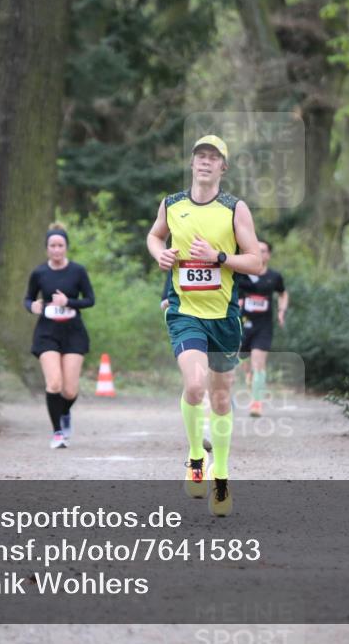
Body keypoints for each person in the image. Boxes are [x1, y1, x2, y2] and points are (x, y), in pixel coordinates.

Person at [147, 135, 262, 516]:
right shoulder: (172, 204)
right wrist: (160, 254)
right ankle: (196, 457)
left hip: (224, 317)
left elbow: (255, 262)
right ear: (192, 163)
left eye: (213, 157)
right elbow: (154, 235)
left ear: (223, 167)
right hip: (185, 312)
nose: (206, 162)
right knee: (195, 385)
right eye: (200, 156)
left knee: (221, 398)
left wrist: (218, 257)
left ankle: (222, 475)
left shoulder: (234, 209)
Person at [24, 222, 95, 449]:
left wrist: (68, 302)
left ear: (66, 247)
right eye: (52, 246)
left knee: (70, 390)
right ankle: (57, 433)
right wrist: (32, 306)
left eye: (60, 245)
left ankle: (64, 413)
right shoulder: (39, 273)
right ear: (46, 248)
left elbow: (90, 300)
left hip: (73, 333)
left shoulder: (77, 271)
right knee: (54, 383)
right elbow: (28, 298)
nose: (56, 250)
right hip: (47, 333)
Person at [235, 240, 288, 417]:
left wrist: (281, 311)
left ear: (268, 255)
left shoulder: (274, 276)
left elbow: (283, 293)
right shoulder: (241, 275)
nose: (260, 252)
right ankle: (250, 378)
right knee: (244, 364)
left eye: (263, 250)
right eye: (256, 249)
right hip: (242, 325)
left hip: (263, 326)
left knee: (258, 363)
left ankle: (256, 404)